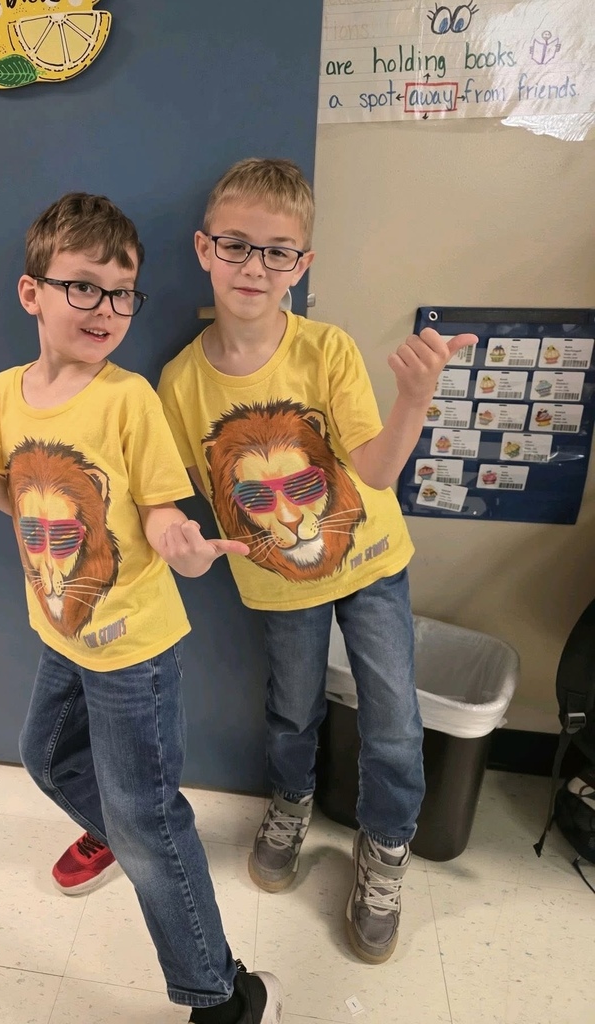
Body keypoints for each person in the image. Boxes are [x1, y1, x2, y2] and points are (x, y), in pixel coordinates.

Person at [0, 192, 284, 1022]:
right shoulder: (7, 392)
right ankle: (138, 840)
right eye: (83, 287)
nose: (105, 310)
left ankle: (223, 993)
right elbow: (21, 499)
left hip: (133, 649)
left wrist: (181, 542)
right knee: (46, 759)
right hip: (61, 628)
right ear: (32, 292)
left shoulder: (128, 399)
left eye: (121, 293)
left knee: (148, 818)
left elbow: (157, 509)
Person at [157, 159, 477, 964]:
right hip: (278, 587)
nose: (254, 267)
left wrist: (414, 399)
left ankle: (388, 849)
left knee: (395, 722)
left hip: (371, 563)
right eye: (236, 245)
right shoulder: (178, 383)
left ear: (302, 265)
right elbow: (164, 492)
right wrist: (175, 536)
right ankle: (292, 804)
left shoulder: (326, 349)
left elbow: (371, 472)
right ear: (204, 248)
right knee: (293, 708)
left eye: (278, 252)